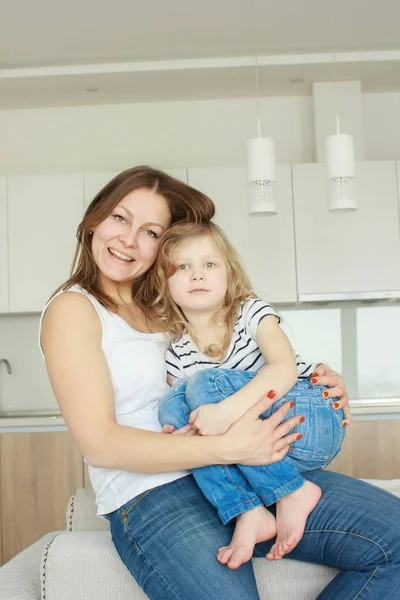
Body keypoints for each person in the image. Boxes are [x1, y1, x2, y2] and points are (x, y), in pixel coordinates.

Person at [40, 166, 400, 600]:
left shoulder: (174, 303)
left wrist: (311, 381)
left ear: (165, 248)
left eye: (151, 231)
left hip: (247, 468)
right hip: (155, 491)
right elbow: (101, 443)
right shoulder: (74, 309)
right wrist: (226, 447)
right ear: (94, 219)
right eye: (120, 218)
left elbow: (247, 364)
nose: (129, 240)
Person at [152, 220, 345, 568]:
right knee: (170, 407)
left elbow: (284, 369)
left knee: (201, 385)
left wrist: (223, 414)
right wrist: (188, 436)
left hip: (308, 419)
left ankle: (292, 491)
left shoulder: (250, 312)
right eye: (182, 267)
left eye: (209, 264)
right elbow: (191, 423)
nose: (197, 275)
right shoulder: (177, 352)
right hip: (258, 448)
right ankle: (250, 510)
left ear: (229, 273)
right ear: (164, 282)